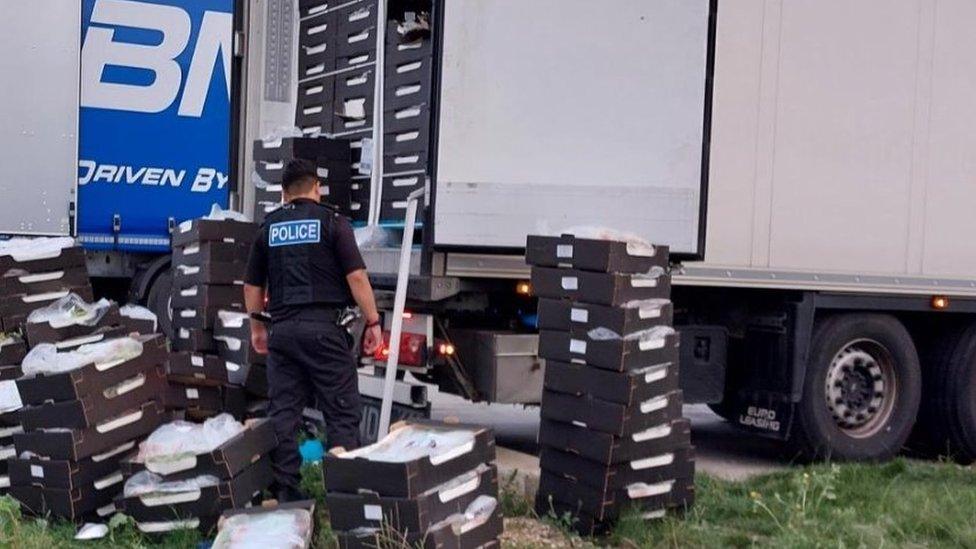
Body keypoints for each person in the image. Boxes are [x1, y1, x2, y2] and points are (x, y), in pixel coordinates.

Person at [243, 158, 383, 502]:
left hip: (284, 333)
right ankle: (343, 497)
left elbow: (252, 284)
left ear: (283, 193)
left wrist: (257, 326)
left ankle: (286, 496)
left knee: (284, 414)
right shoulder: (334, 224)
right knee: (342, 412)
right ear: (316, 187)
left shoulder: (269, 228)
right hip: (325, 333)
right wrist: (374, 321)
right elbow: (356, 277)